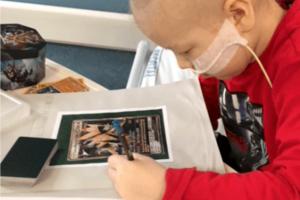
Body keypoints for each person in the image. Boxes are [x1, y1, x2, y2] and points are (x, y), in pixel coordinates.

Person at [107, 0, 300, 199]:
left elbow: (291, 189)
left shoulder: (293, 68)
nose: (181, 66)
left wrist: (168, 188)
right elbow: (203, 96)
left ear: (238, 15)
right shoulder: (234, 49)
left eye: (187, 51)